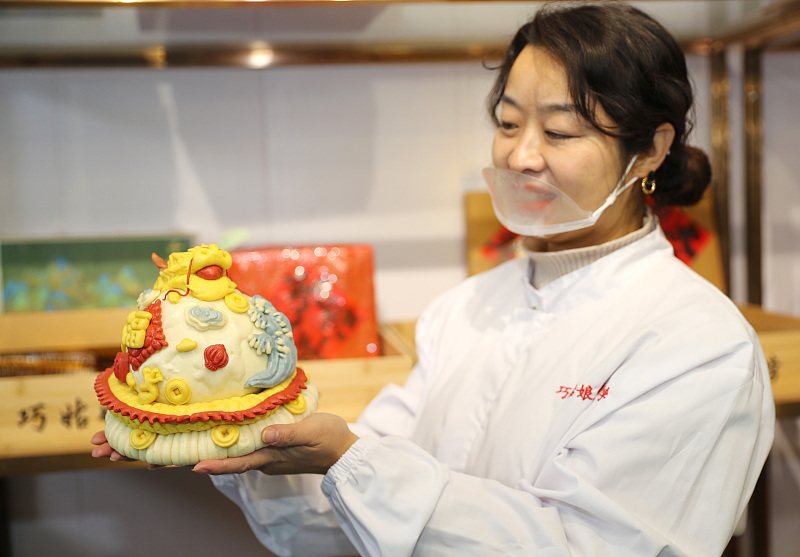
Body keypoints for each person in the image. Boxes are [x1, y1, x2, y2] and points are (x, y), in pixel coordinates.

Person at [92, 2, 774, 555]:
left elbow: (591, 546)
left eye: (561, 133)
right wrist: (229, 437)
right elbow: (349, 515)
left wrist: (352, 462)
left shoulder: (697, 344)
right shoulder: (464, 308)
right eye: (508, 123)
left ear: (651, 148)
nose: (521, 155)